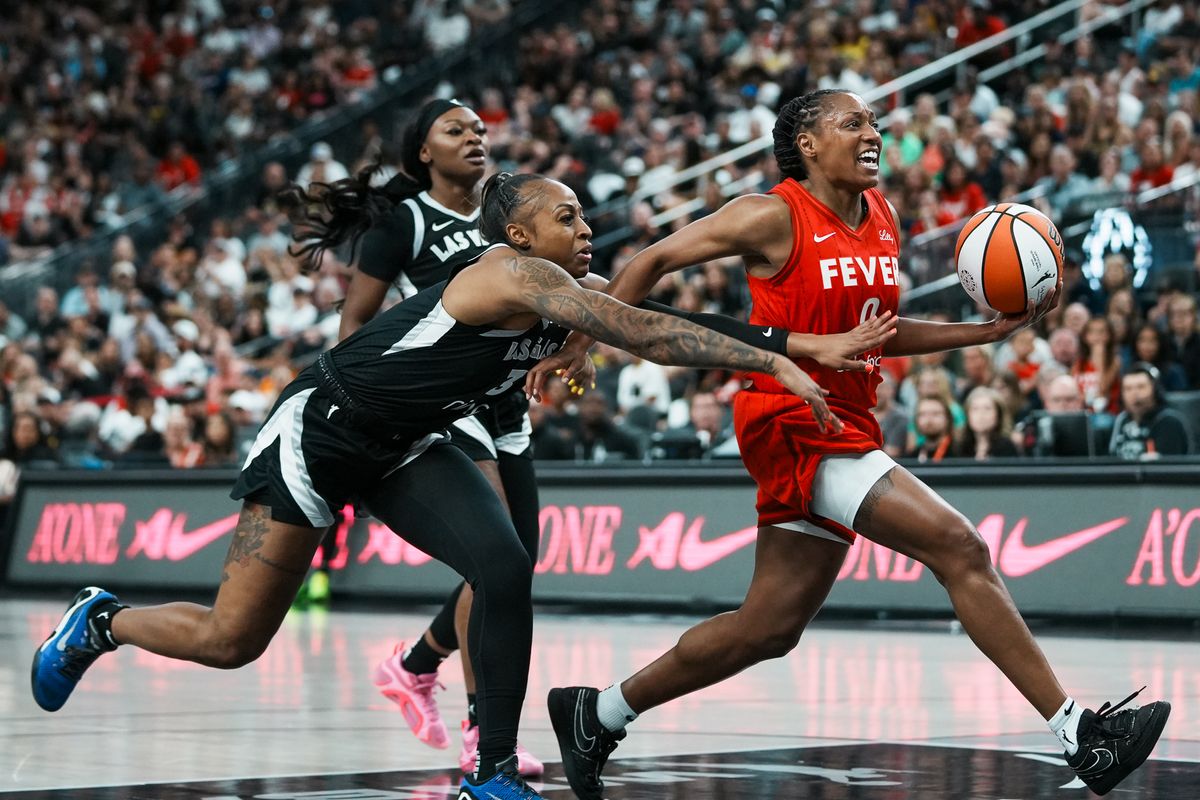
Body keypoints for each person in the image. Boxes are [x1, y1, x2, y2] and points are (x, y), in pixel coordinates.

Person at [31, 172, 858, 800]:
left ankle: (492, 772)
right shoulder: (512, 277)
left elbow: (671, 325)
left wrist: (794, 342)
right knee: (232, 641)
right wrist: (772, 358)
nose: (586, 226)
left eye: (583, 213)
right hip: (320, 430)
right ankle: (102, 622)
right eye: (565, 216)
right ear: (518, 234)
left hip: (400, 445)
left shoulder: (567, 292)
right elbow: (641, 330)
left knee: (503, 563)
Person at [534, 89, 1170, 800]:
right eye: (853, 123)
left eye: (874, 122)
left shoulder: (884, 217)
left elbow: (879, 333)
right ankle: (1081, 735)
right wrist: (586, 338)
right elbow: (649, 263)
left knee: (767, 628)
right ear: (807, 143)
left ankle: (598, 712)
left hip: (849, 419)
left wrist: (982, 333)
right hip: (791, 418)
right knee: (960, 547)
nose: (873, 133)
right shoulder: (770, 214)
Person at [294, 97, 548, 773]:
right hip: (442, 398)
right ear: (422, 152)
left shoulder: (508, 212)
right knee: (492, 558)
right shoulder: (402, 221)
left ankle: (414, 664)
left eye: (481, 129)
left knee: (517, 563)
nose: (476, 136)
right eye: (456, 129)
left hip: (506, 401)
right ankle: (479, 730)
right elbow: (355, 328)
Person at [1109, 363, 1193, 460]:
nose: (1134, 394)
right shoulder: (1121, 420)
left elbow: (1171, 469)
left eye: (1141, 387)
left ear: (1155, 390)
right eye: (1128, 389)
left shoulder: (1169, 422)